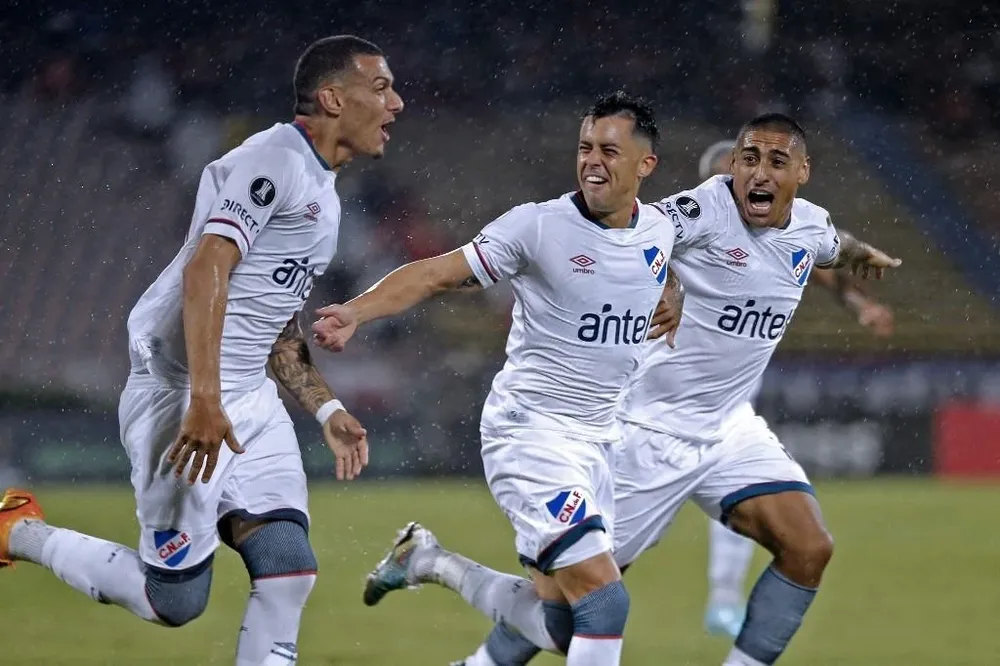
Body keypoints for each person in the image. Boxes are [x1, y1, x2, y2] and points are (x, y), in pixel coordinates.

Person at [351, 113, 900, 666]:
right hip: (642, 432)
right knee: (571, 613)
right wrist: (672, 281)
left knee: (809, 548)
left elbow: (832, 244)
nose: (759, 173)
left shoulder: (810, 224)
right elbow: (636, 233)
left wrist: (863, 258)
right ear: (733, 165)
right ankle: (434, 566)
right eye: (749, 159)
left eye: (777, 163)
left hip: (729, 428)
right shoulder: (703, 210)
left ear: (802, 173)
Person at [0, 35, 403, 665]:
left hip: (247, 398)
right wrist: (205, 402)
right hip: (183, 399)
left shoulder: (323, 192)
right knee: (173, 602)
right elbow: (207, 268)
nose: (396, 103)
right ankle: (17, 531)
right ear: (332, 97)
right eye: (380, 88)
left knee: (288, 569)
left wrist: (326, 410)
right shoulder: (277, 160)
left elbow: (273, 319)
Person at [312, 92, 678, 666]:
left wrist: (674, 292)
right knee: (605, 604)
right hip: (533, 434)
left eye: (609, 150)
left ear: (645, 165)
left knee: (560, 626)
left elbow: (673, 257)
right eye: (585, 148)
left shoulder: (662, 228)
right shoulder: (537, 227)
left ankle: (428, 562)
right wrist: (358, 310)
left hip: (601, 443)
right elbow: (436, 273)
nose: (592, 162)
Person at [697, 138, 895, 639]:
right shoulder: (691, 229)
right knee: (594, 567)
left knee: (764, 511)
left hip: (731, 411)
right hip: (654, 412)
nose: (751, 185)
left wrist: (860, 306)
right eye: (734, 174)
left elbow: (827, 260)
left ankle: (724, 600)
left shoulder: (789, 233)